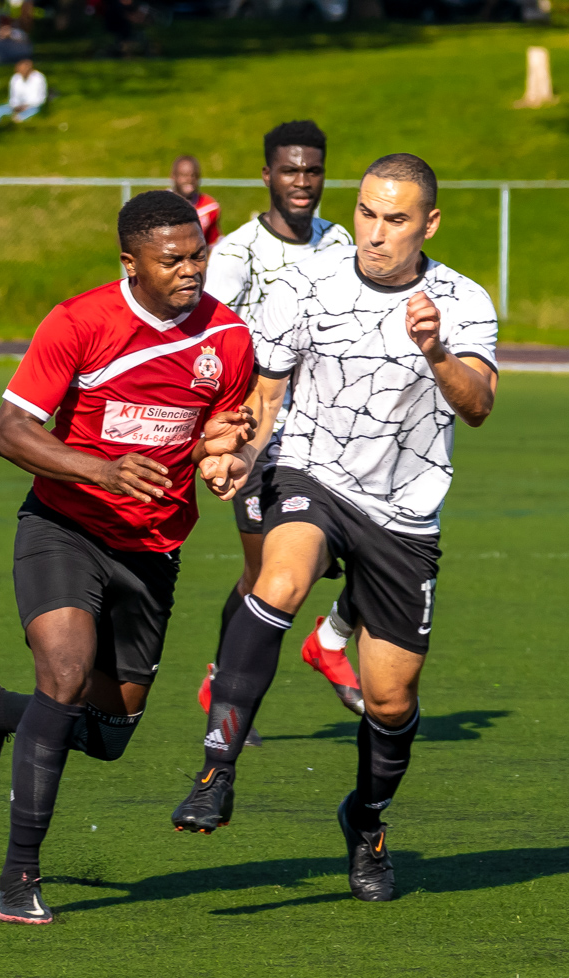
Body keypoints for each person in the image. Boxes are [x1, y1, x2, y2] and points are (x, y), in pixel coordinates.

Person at [170, 154, 500, 906]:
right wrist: (237, 459)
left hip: (404, 512)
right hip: (310, 473)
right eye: (366, 213)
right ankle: (217, 765)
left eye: (395, 219)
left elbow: (478, 404)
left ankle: (368, 821)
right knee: (279, 579)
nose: (375, 233)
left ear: (429, 223)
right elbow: (265, 394)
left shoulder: (463, 299)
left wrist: (436, 350)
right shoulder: (305, 284)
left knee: (391, 700)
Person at [0, 190, 257, 925]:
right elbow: (8, 431)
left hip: (153, 549)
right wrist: (100, 469)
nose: (191, 269)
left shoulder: (229, 336)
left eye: (198, 254)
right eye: (172, 259)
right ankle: (20, 874)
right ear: (130, 262)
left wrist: (229, 458)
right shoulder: (79, 322)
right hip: (65, 526)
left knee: (111, 733)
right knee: (62, 672)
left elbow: (227, 430)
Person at [200, 120, 361, 741]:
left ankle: (330, 639)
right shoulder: (237, 255)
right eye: (290, 170)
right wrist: (217, 428)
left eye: (313, 170)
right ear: (267, 175)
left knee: (376, 549)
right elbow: (207, 340)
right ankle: (222, 688)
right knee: (260, 579)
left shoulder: (340, 241)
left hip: (333, 432)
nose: (302, 182)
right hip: (259, 434)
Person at [172, 156, 221, 247]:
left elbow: (213, 244)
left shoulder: (209, 207)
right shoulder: (160, 205)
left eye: (193, 175)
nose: (189, 180)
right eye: (184, 175)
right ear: (174, 177)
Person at [0, 57, 46, 123]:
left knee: (26, 114)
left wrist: (25, 106)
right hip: (18, 106)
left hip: (33, 106)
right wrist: (16, 106)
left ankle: (18, 119)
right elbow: (14, 96)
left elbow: (38, 98)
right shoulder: (16, 78)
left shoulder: (38, 78)